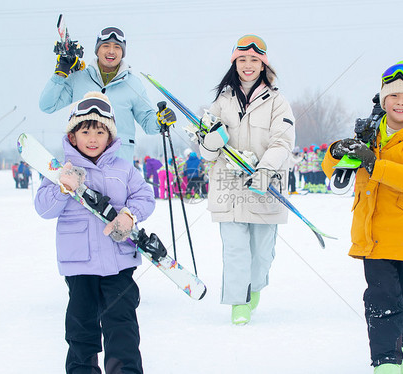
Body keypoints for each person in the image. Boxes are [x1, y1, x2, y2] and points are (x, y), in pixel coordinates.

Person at [323, 61, 403, 374]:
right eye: (393, 97)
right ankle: (385, 362)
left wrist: (373, 163)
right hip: (373, 234)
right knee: (380, 300)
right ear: (384, 101)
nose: (400, 103)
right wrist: (337, 151)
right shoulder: (369, 134)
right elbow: (333, 172)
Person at [34, 92, 155, 374]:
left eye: (100, 131)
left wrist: (129, 214)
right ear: (73, 136)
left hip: (118, 263)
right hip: (80, 266)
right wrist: (62, 188)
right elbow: (43, 209)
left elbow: (145, 197)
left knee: (122, 327)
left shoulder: (123, 169)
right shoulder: (58, 171)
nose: (92, 138)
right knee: (81, 329)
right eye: (85, 130)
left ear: (110, 136)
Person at [198, 34, 295, 325]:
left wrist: (265, 171)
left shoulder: (278, 102)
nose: (248, 65)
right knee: (236, 249)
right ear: (235, 63)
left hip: (265, 185)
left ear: (263, 64)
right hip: (229, 187)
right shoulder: (221, 102)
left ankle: (254, 287)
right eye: (242, 60)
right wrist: (211, 142)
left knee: (262, 253)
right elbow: (205, 151)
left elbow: (282, 142)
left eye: (254, 60)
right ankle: (238, 301)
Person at [39, 26, 176, 162]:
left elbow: (148, 122)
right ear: (97, 50)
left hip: (119, 166)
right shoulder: (79, 79)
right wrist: (60, 74)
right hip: (82, 165)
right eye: (105, 46)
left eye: (117, 47)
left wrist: (160, 121)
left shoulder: (133, 84)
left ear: (123, 52)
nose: (111, 51)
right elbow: (47, 105)